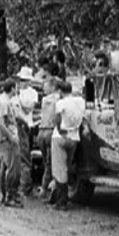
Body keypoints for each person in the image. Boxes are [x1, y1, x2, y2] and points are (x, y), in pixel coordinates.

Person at [51, 81, 84, 209]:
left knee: (60, 170)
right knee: (67, 166)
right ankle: (61, 197)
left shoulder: (60, 103)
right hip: (74, 137)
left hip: (60, 137)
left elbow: (57, 119)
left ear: (60, 91)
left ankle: (61, 201)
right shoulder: (80, 101)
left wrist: (59, 129)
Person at [0, 79, 21, 207]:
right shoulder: (4, 102)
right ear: (12, 88)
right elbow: (1, 124)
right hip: (6, 138)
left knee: (5, 166)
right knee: (12, 167)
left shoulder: (1, 100)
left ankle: (5, 194)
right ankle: (9, 196)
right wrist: (11, 137)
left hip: (2, 137)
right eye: (16, 87)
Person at [13, 67, 38, 197]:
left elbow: (29, 108)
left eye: (23, 80)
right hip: (18, 125)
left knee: (25, 156)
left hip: (26, 125)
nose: (21, 83)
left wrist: (19, 100)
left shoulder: (31, 93)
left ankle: (25, 185)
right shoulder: (18, 93)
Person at [38, 77, 59, 202]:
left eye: (45, 86)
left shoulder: (45, 100)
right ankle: (45, 189)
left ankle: (44, 187)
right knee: (49, 164)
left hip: (41, 131)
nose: (43, 88)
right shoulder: (57, 99)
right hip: (50, 131)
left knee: (46, 162)